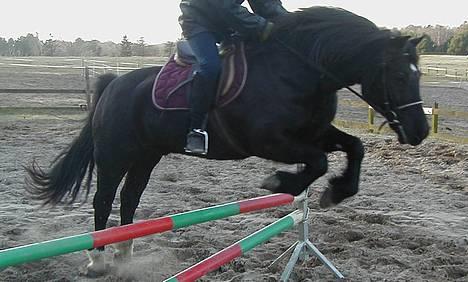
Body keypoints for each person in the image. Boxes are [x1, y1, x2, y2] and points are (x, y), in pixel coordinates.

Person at [179, 0, 288, 155]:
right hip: (198, 21)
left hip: (227, 23)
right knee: (211, 67)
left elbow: (267, 4)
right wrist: (264, 26)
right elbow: (225, 6)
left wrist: (288, 24)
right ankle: (196, 129)